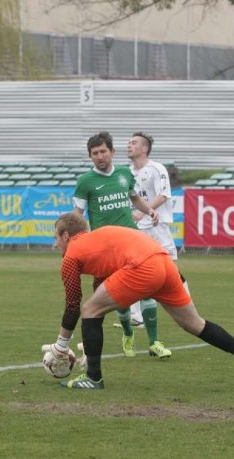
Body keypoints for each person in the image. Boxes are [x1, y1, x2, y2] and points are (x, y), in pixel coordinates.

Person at [44, 212, 234, 389]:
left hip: (144, 266)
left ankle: (93, 378)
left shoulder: (73, 253)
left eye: (56, 237)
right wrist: (89, 346)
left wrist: (61, 346)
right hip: (164, 262)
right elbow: (102, 290)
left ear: (66, 236)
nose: (56, 245)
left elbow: (74, 304)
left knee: (89, 309)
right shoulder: (97, 241)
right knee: (195, 324)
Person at [73, 131, 171, 359]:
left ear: (112, 152)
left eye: (103, 151)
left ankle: (154, 342)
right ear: (90, 157)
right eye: (95, 153)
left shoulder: (125, 174)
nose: (100, 156)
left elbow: (134, 197)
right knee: (121, 296)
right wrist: (77, 237)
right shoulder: (85, 182)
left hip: (133, 241)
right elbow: (78, 214)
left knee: (148, 291)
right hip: (106, 248)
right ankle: (128, 332)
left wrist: (149, 210)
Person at [125, 132, 180, 349]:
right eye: (129, 142)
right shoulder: (127, 173)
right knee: (134, 267)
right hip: (136, 229)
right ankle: (136, 315)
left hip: (157, 228)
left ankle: (184, 303)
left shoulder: (156, 168)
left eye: (134, 143)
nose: (129, 145)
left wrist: (145, 211)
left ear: (145, 148)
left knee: (170, 270)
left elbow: (164, 194)